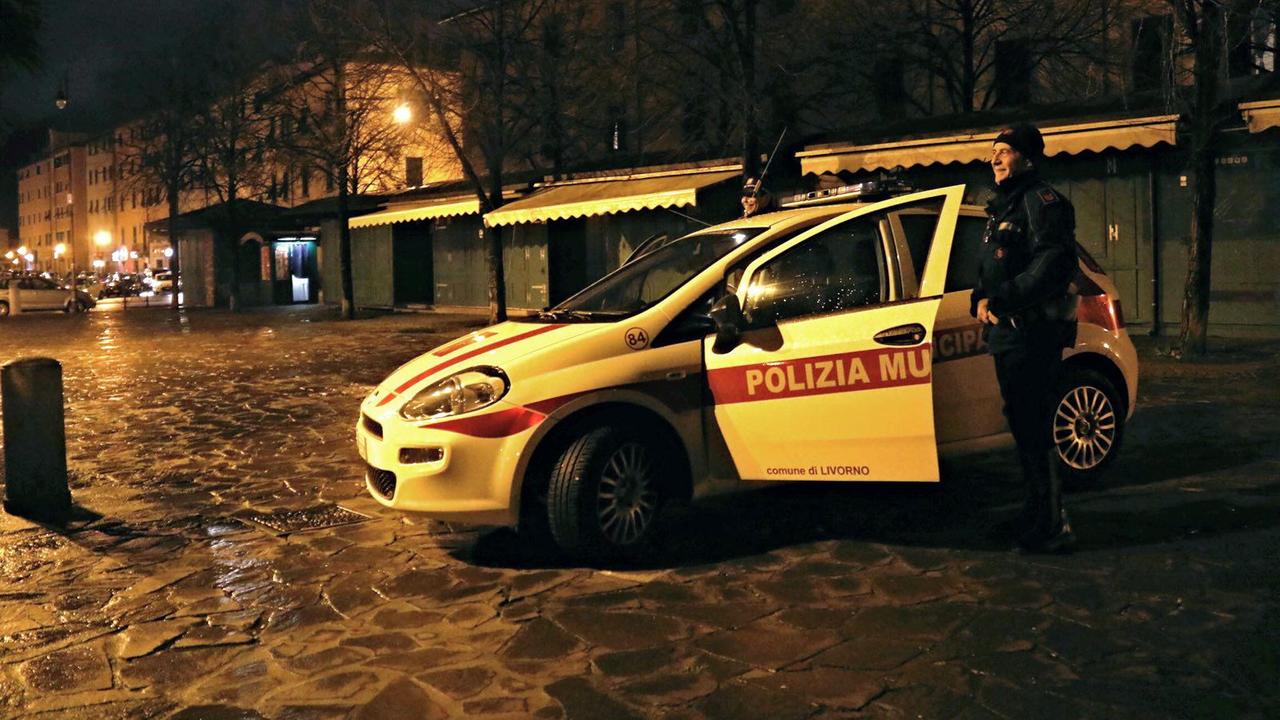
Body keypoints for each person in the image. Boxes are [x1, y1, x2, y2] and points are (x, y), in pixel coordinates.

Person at [971, 123, 1079, 553]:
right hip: (1008, 336)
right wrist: (981, 298)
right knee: (1022, 424)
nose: (994, 158)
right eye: (992, 151)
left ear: (1028, 158)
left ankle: (1053, 524)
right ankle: (1034, 512)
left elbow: (1051, 265)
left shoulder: (1041, 202)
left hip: (1033, 334)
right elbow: (990, 270)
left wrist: (1003, 297)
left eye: (1005, 151)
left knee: (1034, 425)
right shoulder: (1002, 208)